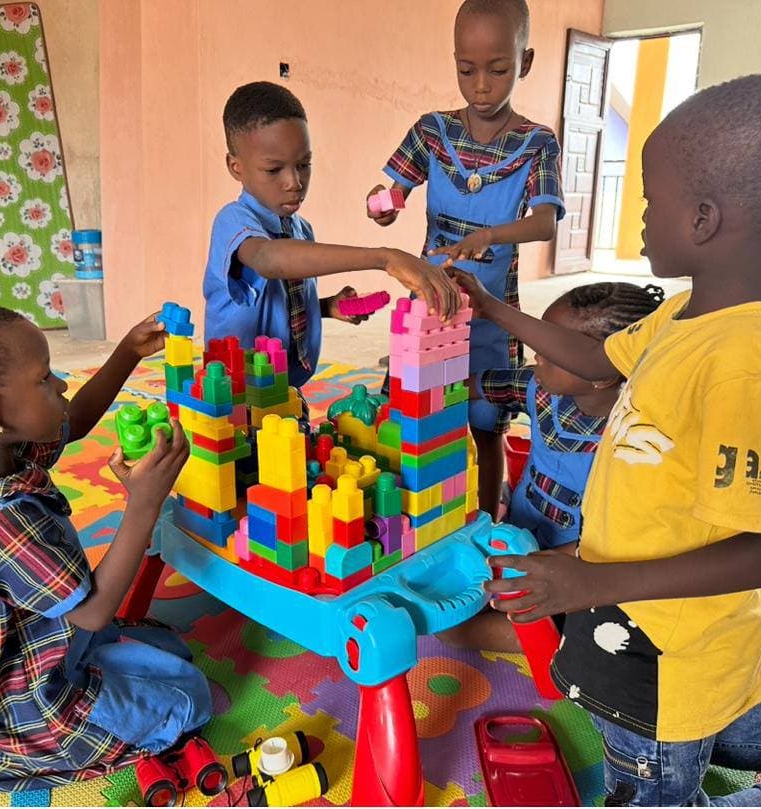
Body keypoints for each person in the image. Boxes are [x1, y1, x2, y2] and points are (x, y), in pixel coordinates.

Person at [454, 73, 761, 806]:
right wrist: (491, 306)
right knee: (735, 729)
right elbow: (595, 357)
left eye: (652, 200)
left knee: (662, 777)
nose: (641, 217)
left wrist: (593, 580)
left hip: (668, 654)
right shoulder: (687, 313)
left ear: (705, 218)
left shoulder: (747, 365)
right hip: (645, 631)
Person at [0, 304, 208, 802]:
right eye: (44, 377)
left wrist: (127, 353)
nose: (60, 384)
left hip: (23, 657)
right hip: (34, 698)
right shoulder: (1, 518)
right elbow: (97, 611)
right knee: (190, 701)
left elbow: (72, 420)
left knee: (174, 651)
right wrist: (145, 502)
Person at [366, 0, 564, 515]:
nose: (481, 85)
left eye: (497, 70)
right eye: (466, 69)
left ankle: (485, 515)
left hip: (492, 312)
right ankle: (408, 513)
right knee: (413, 411)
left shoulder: (537, 142)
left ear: (524, 62)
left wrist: (491, 234)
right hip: (431, 303)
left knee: (485, 420)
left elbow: (544, 221)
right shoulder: (432, 131)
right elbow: (394, 193)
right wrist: (385, 207)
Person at [442, 282, 664, 652]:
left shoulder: (636, 439)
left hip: (576, 568)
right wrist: (427, 385)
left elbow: (624, 540)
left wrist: (540, 565)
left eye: (551, 350)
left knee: (458, 631)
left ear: (602, 373)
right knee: (449, 610)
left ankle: (570, 644)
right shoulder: (541, 387)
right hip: (516, 539)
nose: (537, 355)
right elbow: (479, 386)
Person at [203, 81, 461, 391]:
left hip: (284, 391)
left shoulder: (301, 229)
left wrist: (326, 307)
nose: (294, 182)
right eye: (274, 170)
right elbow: (268, 259)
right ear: (236, 167)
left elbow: (281, 300)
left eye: (303, 165)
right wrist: (384, 258)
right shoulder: (232, 221)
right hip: (233, 393)